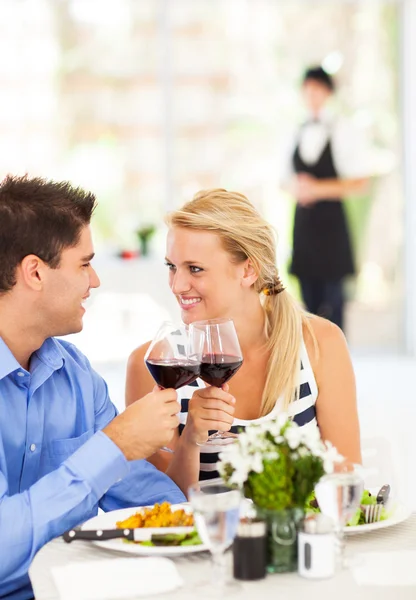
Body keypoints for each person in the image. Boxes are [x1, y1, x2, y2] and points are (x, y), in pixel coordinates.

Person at [0, 175, 184, 600]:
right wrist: (112, 446)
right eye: (84, 264)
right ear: (34, 272)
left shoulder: (77, 376)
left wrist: (213, 527)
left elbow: (147, 502)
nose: (95, 280)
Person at [126, 188, 361, 495]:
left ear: (248, 270)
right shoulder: (151, 366)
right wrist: (192, 438)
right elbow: (163, 509)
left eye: (194, 269)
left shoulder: (320, 344)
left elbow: (346, 486)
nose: (177, 285)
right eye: (172, 266)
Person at [286, 65, 375, 331]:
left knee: (334, 306)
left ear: (327, 93)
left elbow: (361, 182)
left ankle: (338, 369)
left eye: (317, 89)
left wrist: (317, 188)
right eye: (307, 89)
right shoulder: (296, 130)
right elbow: (284, 178)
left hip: (332, 227)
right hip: (304, 225)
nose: (311, 95)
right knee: (308, 306)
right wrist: (297, 187)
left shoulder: (343, 129)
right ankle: (312, 372)